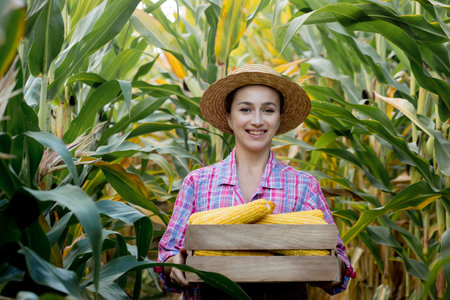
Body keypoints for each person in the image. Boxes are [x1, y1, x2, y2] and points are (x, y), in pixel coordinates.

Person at [154, 64, 356, 299]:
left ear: (279, 120)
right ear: (229, 118)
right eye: (245, 109)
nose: (257, 120)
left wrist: (333, 269)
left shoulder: (304, 186)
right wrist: (176, 264)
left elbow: (339, 264)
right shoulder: (198, 183)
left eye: (268, 110)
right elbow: (166, 256)